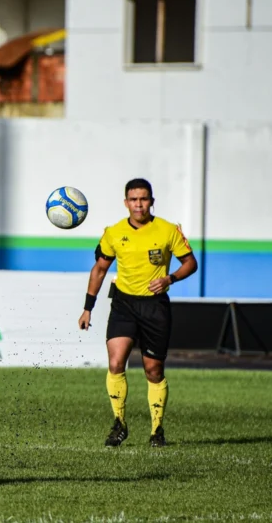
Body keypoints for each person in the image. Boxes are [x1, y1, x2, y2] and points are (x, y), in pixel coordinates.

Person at [78, 178, 197, 448]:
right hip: (123, 305)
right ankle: (119, 423)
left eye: (143, 199)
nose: (138, 204)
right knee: (116, 362)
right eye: (133, 199)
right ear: (126, 203)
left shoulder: (168, 230)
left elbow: (190, 263)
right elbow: (99, 269)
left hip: (155, 307)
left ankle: (157, 430)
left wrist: (170, 278)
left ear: (151, 201)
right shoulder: (113, 232)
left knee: (153, 371)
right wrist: (88, 308)